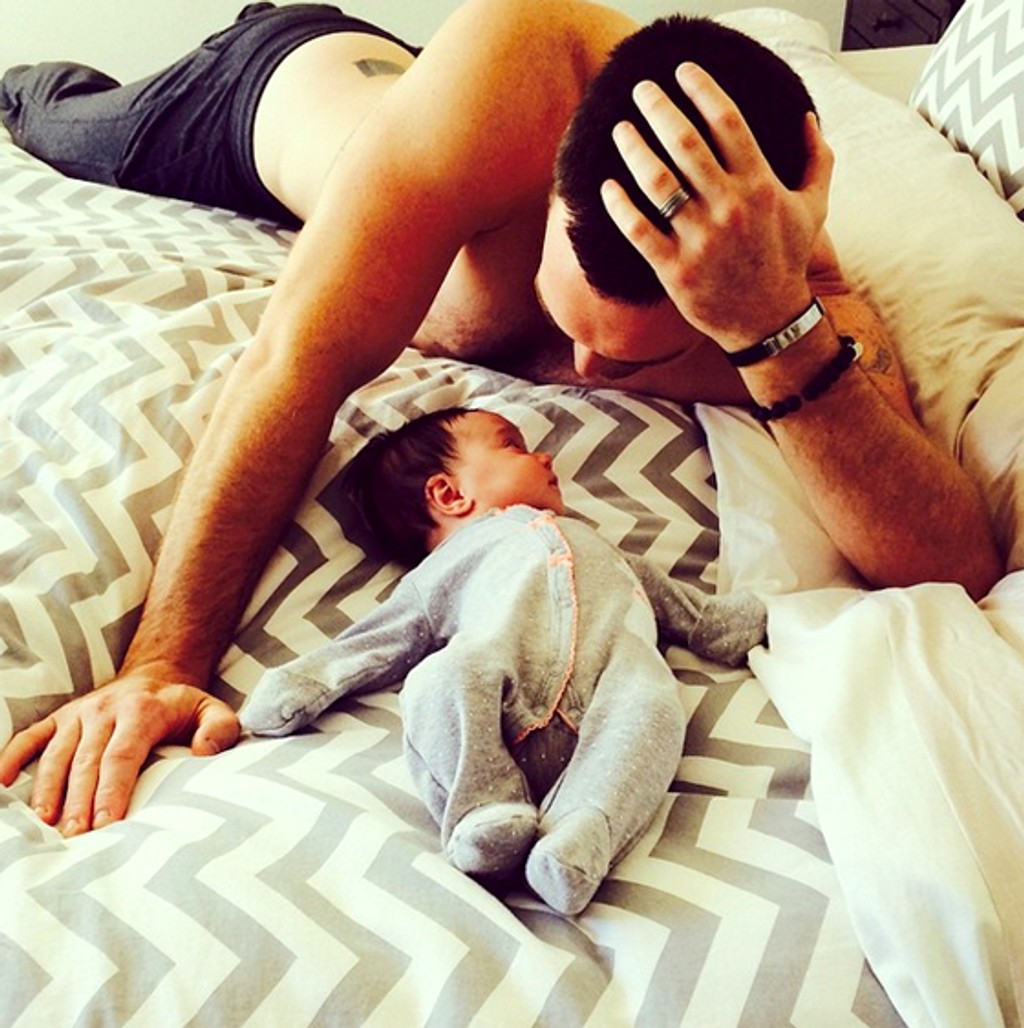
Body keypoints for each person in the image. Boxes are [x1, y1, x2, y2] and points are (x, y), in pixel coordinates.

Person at [0, 2, 1000, 836]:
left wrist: (771, 333)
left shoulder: (778, 283)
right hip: (269, 92)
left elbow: (948, 565)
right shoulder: (518, 69)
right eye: (574, 325)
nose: (585, 374)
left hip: (400, 96)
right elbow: (293, 360)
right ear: (554, 167)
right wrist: (160, 665)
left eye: (635, 361)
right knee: (57, 119)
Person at [240, 406, 767, 914]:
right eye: (513, 446)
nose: (545, 457)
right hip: (503, 704)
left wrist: (730, 622)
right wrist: (304, 682)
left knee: (653, 704)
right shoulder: (448, 565)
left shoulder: (597, 543)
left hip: (612, 697)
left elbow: (679, 607)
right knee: (440, 678)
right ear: (449, 495)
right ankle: (484, 807)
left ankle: (581, 833)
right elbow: (380, 638)